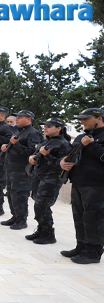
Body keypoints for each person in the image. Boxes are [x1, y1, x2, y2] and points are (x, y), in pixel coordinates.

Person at [59, 108, 104, 264]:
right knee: (79, 217)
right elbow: (71, 154)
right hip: (78, 182)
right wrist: (63, 162)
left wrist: (92, 145)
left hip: (97, 185)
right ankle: (81, 246)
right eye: (81, 119)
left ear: (99, 118)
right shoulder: (81, 136)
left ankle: (93, 251)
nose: (82, 121)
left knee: (94, 218)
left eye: (86, 118)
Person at [26, 118, 71, 244]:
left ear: (59, 128)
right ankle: (41, 230)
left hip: (52, 178)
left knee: (42, 205)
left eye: (49, 126)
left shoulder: (64, 144)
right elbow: (37, 154)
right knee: (38, 204)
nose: (45, 128)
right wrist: (33, 157)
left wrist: (46, 155)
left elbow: (61, 164)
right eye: (45, 126)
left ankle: (48, 234)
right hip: (39, 176)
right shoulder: (45, 141)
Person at [0, 110, 41, 230]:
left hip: (22, 170)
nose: (17, 119)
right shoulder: (19, 131)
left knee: (20, 195)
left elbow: (32, 152)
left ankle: (22, 220)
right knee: (11, 194)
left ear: (29, 119)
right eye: (16, 117)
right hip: (11, 168)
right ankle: (15, 216)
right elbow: (15, 146)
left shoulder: (33, 133)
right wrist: (8, 146)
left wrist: (15, 144)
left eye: (20, 117)